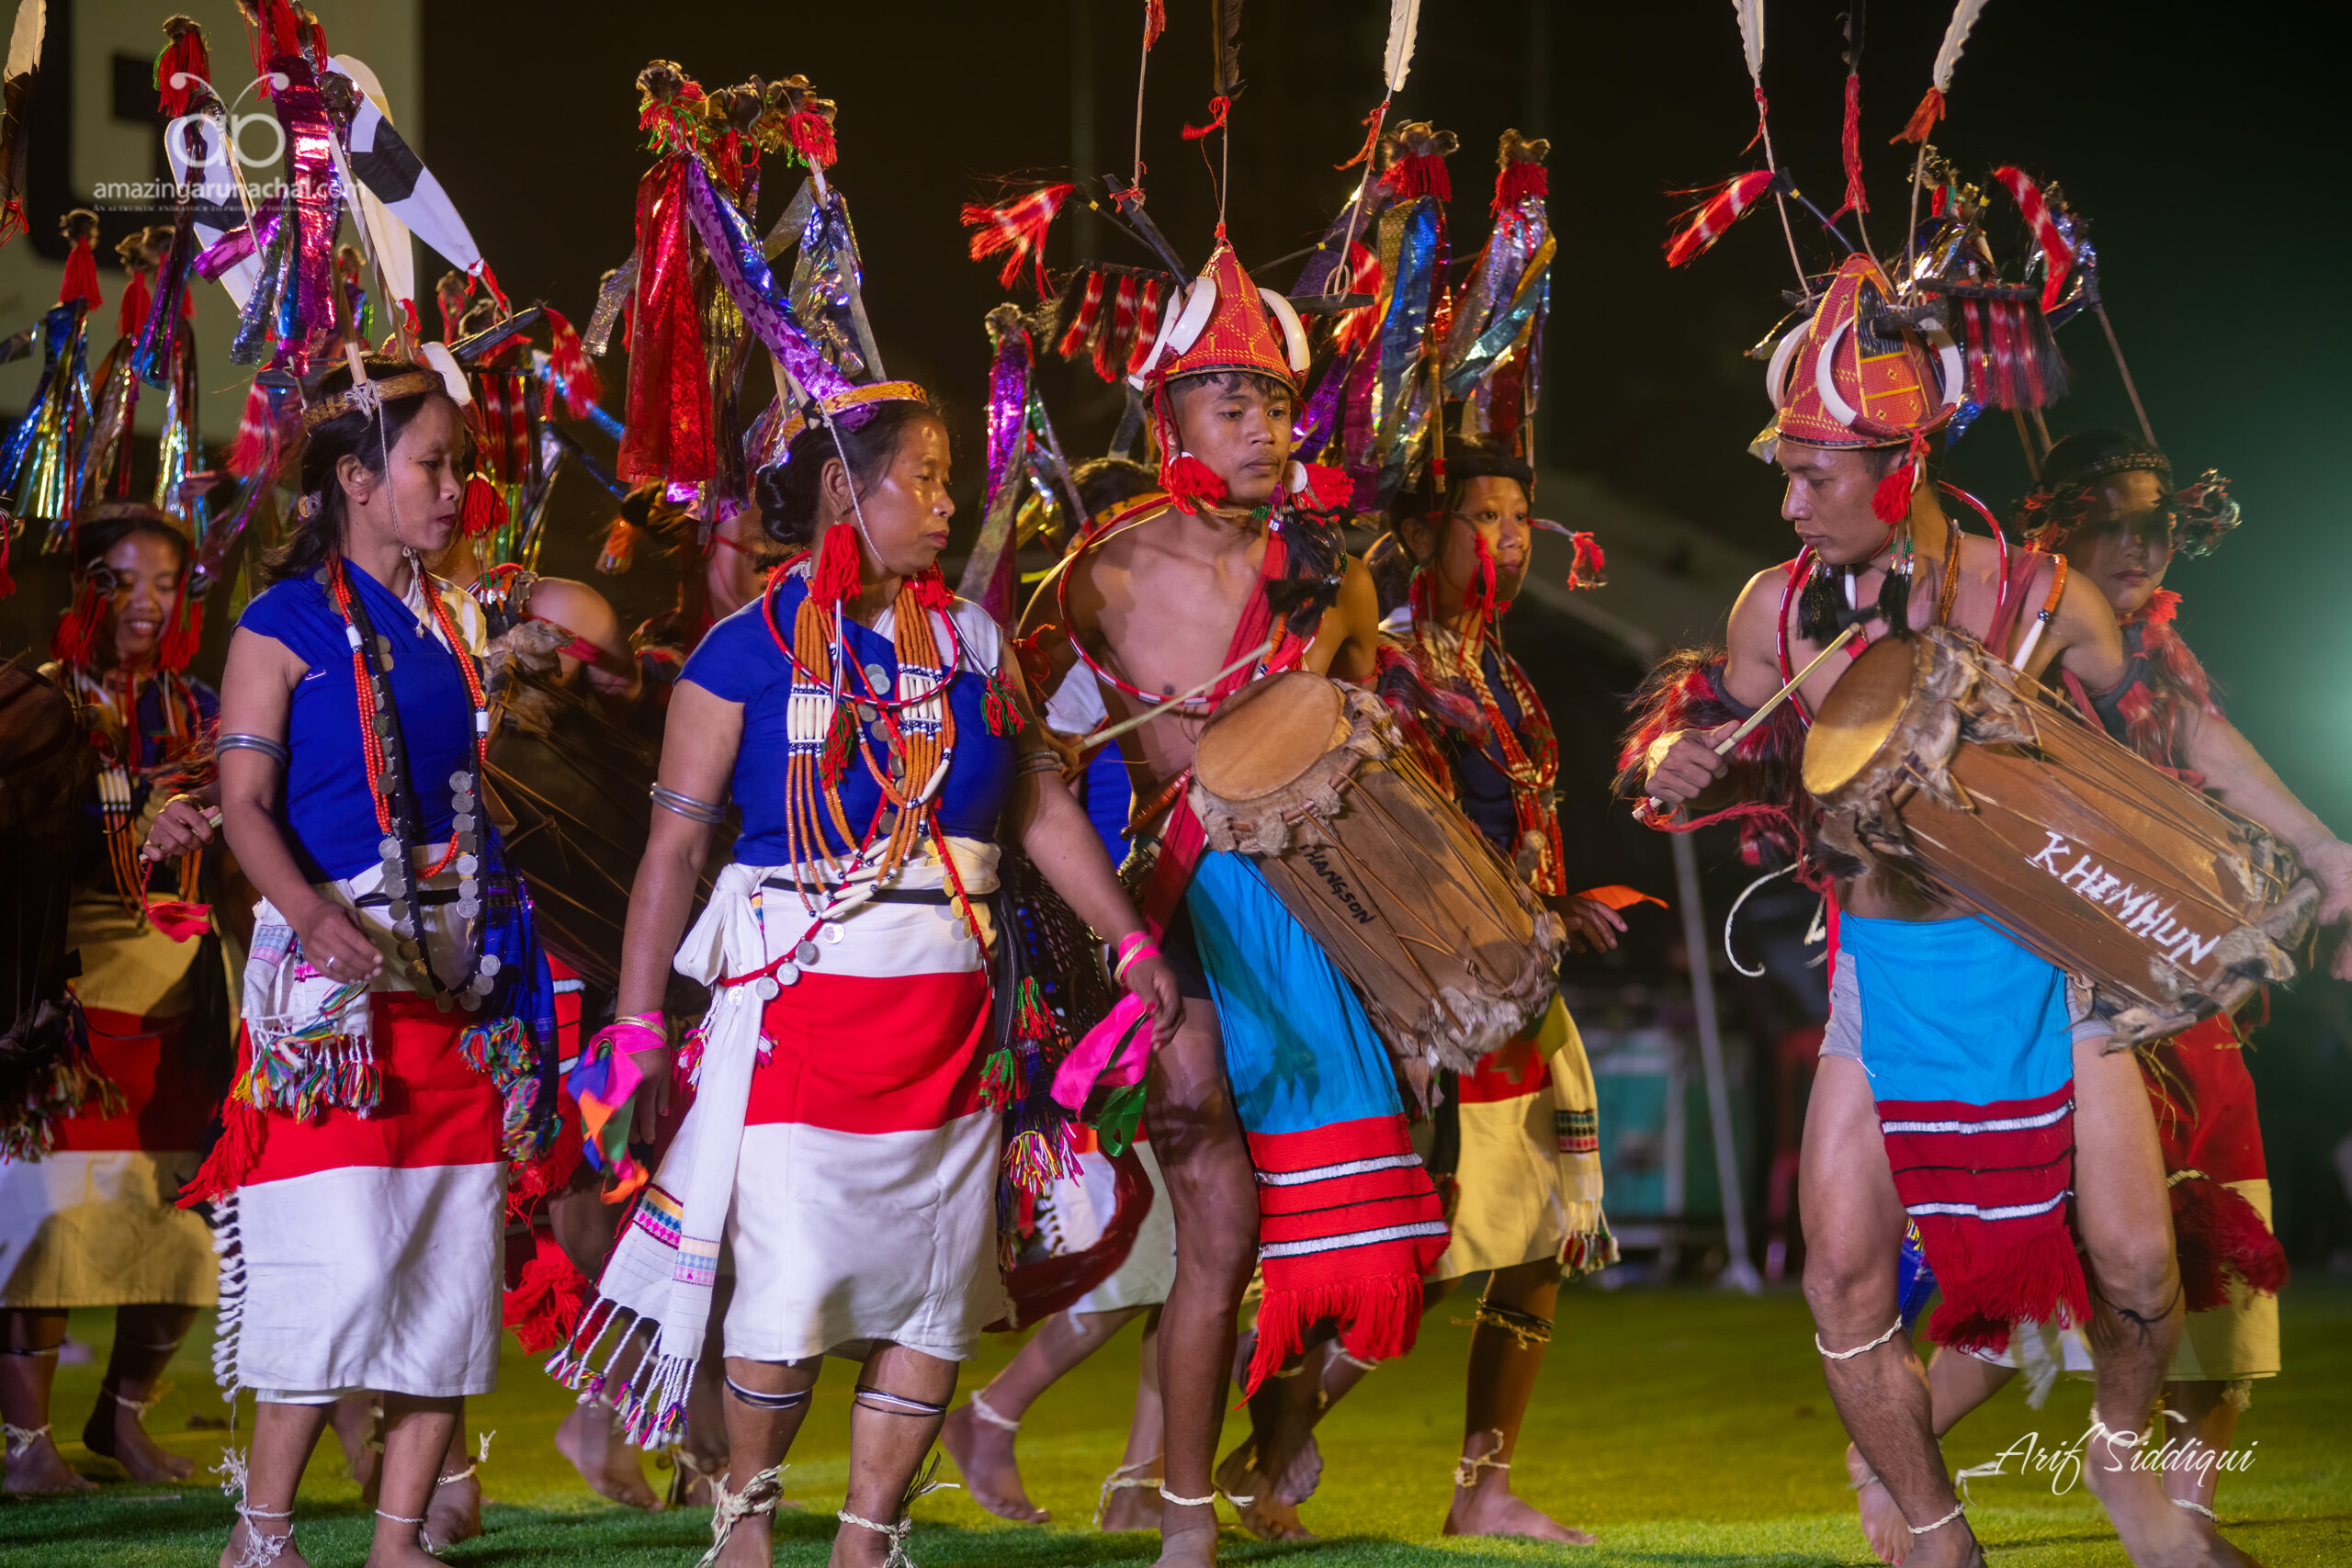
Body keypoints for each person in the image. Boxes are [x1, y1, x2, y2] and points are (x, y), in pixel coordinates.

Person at [1626, 251, 2288, 1568]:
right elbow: (1707, 734)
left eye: (1815, 476)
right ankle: (1936, 1536)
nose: (1788, 502)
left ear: (1900, 467)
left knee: (2138, 1267)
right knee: (1840, 1280)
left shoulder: (2040, 597)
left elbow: (2181, 725)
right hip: (1880, 974)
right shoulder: (1777, 609)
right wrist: (1672, 759)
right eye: (1785, 473)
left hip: (2050, 966)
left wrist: (2322, 848)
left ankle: (2119, 1454)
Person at [548, 383, 1182, 1568]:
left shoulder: (975, 644)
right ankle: (745, 1526)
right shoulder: (739, 656)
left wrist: (1128, 938)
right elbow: (672, 854)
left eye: (948, 479)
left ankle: (865, 1541)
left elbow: (1038, 805)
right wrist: (636, 1027)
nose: (948, 504)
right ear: (845, 489)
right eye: (924, 479)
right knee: (787, 1289)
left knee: (935, 1295)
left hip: (953, 1026)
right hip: (799, 1022)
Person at [1844, 430, 2352, 1563]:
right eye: (2109, 525)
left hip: (2177, 981)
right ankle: (1889, 1451)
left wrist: (2325, 851)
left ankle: (2187, 1517)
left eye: (2155, 527)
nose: (2138, 548)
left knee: (2226, 1232)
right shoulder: (2006, 643)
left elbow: (2202, 746)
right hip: (2038, 981)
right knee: (2065, 1254)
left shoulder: (2152, 660)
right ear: (2054, 536)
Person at [1027, 242, 1449, 1568]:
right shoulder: (1091, 580)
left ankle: (1264, 1446)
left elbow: (1368, 759)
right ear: (1169, 419)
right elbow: (1032, 779)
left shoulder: (1331, 576)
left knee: (1385, 1225)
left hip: (1319, 919)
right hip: (1180, 923)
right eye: (1232, 404)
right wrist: (1117, 934)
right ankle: (1182, 1519)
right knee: (1217, 1224)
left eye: (1274, 403)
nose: (1265, 428)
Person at [191, 356, 560, 1568]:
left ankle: (399, 1541)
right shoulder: (280, 624)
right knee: (340, 1260)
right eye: (432, 465)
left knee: (450, 1260)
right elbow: (245, 803)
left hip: (456, 975)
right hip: (334, 990)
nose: (457, 488)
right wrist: (306, 911)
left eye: (462, 465)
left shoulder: (458, 621)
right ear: (356, 479)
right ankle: (262, 1534)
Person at [944, 456, 1177, 1535]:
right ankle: (994, 1413)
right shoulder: (1057, 673)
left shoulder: (1184, 653)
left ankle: (1141, 1481)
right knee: (1155, 1235)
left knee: (1206, 1249)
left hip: (1185, 951)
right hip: (1104, 975)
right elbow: (1040, 811)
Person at [0, 502, 228, 1494]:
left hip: (182, 991)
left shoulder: (206, 706)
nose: (145, 602)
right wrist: (136, 813)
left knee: (182, 1206)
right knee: (51, 1213)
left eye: (165, 583)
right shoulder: (32, 702)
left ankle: (123, 1418)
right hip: (68, 991)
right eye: (120, 580)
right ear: (80, 586)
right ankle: (26, 1445)